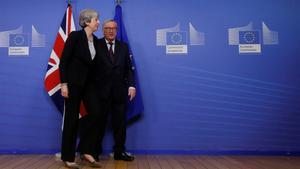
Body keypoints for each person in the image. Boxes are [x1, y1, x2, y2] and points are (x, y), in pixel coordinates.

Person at [59, 9, 101, 168]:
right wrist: (64, 84)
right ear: (88, 21)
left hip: (89, 85)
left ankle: (85, 150)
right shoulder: (75, 36)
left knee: (97, 113)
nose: (98, 22)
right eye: (96, 20)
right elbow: (63, 62)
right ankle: (68, 157)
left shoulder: (96, 41)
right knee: (71, 120)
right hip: (73, 84)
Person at [93, 19, 136, 161]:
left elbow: (128, 69)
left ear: (117, 30)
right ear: (103, 30)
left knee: (120, 124)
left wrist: (131, 85)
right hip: (100, 92)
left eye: (114, 28)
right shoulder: (95, 44)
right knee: (98, 123)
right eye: (108, 28)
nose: (111, 31)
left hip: (119, 92)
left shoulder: (123, 46)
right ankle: (94, 151)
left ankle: (119, 152)